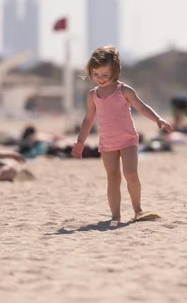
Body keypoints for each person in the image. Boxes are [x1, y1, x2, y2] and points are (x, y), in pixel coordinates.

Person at [72, 45, 173, 225]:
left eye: (105, 75)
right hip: (107, 143)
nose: (100, 79)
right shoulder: (92, 95)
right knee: (113, 178)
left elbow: (142, 107)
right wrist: (80, 142)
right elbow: (88, 120)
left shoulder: (124, 90)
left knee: (131, 173)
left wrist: (157, 119)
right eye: (96, 74)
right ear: (90, 71)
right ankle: (115, 215)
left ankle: (138, 210)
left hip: (128, 140)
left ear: (115, 71)